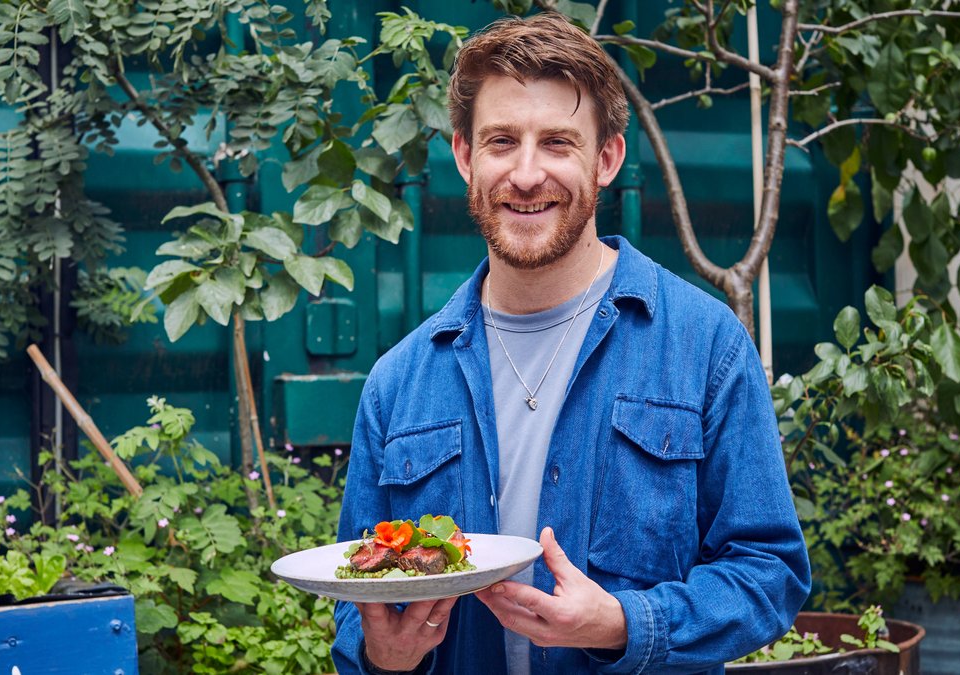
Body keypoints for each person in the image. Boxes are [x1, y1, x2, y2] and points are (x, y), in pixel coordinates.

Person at [332, 12, 810, 675]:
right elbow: (357, 596)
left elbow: (769, 573)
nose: (527, 175)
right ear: (465, 157)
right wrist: (382, 651)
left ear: (606, 158)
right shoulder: (399, 382)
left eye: (557, 142)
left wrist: (623, 623)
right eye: (502, 141)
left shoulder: (705, 347)